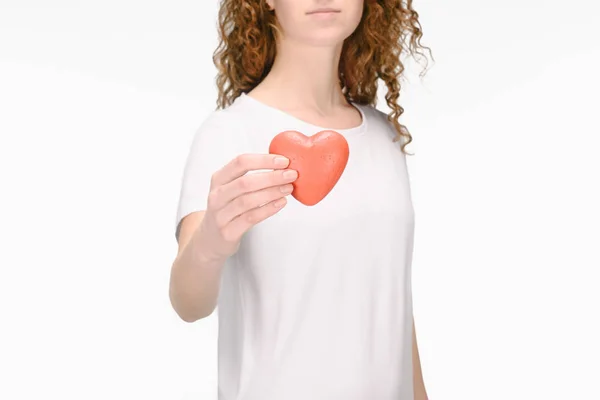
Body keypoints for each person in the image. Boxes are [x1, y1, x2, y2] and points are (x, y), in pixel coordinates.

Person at [169, 1, 433, 399]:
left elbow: (392, 305)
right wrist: (210, 242)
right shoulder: (230, 134)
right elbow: (188, 303)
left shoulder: (384, 136)